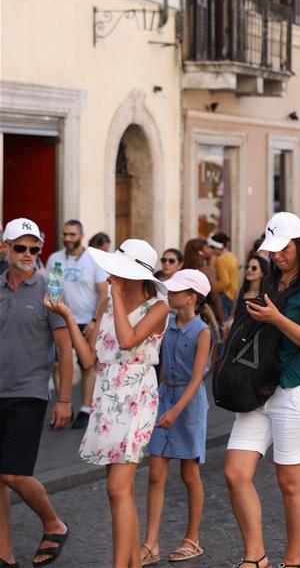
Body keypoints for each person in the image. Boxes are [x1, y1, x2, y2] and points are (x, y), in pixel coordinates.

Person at [54, 238, 169, 568]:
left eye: (118, 272)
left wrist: (115, 297)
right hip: (106, 397)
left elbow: (129, 340)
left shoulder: (158, 307)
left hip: (136, 396)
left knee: (119, 487)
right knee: (119, 490)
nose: (110, 275)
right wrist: (67, 315)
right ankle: (131, 561)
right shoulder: (106, 302)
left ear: (134, 275)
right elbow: (90, 359)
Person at [224, 212, 300, 568]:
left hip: (295, 388)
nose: (276, 257)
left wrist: (277, 319)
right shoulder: (271, 284)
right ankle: (255, 556)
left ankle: (294, 560)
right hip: (258, 388)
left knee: (290, 482)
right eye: (272, 251)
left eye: (283, 249)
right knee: (235, 473)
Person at [1, 218, 73, 568]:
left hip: (29, 393)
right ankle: (5, 555)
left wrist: (64, 399)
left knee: (13, 473)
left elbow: (64, 349)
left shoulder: (52, 289)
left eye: (34, 248)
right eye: (20, 247)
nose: (28, 254)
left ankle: (53, 523)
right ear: (5, 248)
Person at [140, 270, 214, 564]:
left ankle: (192, 539)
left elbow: (197, 379)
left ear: (191, 298)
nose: (168, 295)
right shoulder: (166, 324)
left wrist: (176, 410)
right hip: (163, 397)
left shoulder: (203, 331)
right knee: (156, 472)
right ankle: (150, 544)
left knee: (189, 473)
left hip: (189, 405)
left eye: (174, 292)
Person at [47, 219, 108, 429]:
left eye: (72, 234)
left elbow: (103, 292)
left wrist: (95, 321)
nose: (67, 238)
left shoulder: (92, 258)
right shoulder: (55, 258)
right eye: (65, 234)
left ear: (81, 235)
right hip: (60, 320)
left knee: (87, 365)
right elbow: (51, 288)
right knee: (57, 363)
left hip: (85, 321)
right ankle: (65, 405)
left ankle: (85, 409)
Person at [183, 238, 225, 327]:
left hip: (185, 315)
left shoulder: (183, 270)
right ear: (200, 252)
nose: (211, 250)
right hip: (204, 315)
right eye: (208, 247)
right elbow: (215, 298)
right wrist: (222, 321)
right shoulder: (207, 270)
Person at [211, 232, 239, 322]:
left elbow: (224, 282)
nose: (211, 250)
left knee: (223, 325)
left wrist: (213, 289)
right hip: (233, 294)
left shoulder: (221, 259)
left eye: (212, 247)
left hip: (224, 295)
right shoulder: (233, 256)